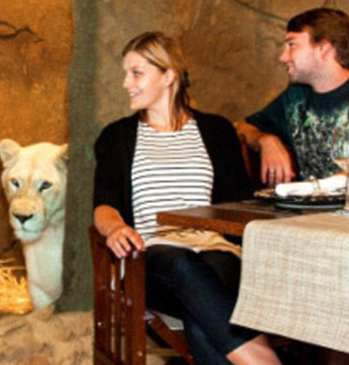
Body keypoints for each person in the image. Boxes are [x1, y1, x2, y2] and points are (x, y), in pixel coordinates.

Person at [93, 32, 282, 365]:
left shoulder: (216, 130)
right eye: (126, 73)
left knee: (206, 304)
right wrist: (115, 228)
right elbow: (104, 204)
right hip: (150, 256)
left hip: (217, 248)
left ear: (168, 76)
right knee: (186, 268)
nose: (126, 83)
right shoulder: (117, 137)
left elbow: (239, 203)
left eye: (136, 73)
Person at [237, 7, 349, 189]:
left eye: (292, 45)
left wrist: (312, 190)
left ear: (322, 48)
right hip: (305, 213)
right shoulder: (295, 98)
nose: (283, 57)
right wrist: (266, 141)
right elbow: (242, 128)